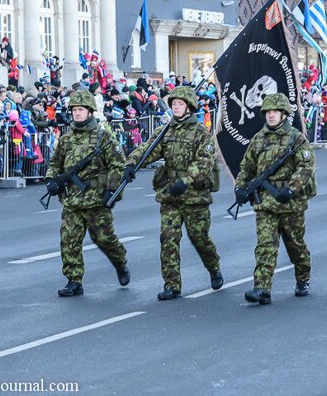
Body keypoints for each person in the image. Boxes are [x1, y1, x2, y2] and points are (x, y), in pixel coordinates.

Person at [124, 86, 223, 300]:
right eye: (173, 104)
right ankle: (172, 284)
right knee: (168, 238)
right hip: (171, 194)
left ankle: (214, 268)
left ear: (188, 106)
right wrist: (131, 163)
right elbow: (148, 149)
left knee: (199, 238)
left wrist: (186, 181)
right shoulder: (165, 131)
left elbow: (205, 162)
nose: (176, 107)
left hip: (194, 195)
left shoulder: (200, 133)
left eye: (180, 103)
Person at [45, 90, 130, 297]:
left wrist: (111, 191)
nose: (77, 113)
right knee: (68, 240)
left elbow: (118, 166)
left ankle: (120, 263)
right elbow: (55, 163)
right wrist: (51, 180)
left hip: (96, 199)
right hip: (72, 200)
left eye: (81, 109)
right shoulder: (66, 139)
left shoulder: (104, 138)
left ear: (90, 111)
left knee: (104, 239)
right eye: (74, 110)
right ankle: (74, 280)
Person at [236, 93, 316, 305]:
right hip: (266, 203)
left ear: (284, 114)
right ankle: (262, 288)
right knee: (265, 246)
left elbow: (306, 166)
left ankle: (303, 278)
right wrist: (240, 188)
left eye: (275, 112)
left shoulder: (296, 138)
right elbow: (246, 167)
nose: (271, 116)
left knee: (295, 245)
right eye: (268, 112)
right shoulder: (258, 139)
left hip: (290, 203)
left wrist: (291, 188)